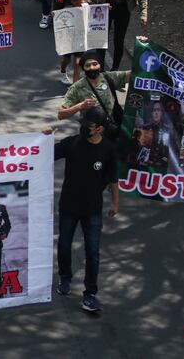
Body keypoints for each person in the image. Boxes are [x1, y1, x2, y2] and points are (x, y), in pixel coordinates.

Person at [47, 107, 119, 312]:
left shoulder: (108, 150)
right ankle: (65, 278)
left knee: (93, 252)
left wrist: (115, 202)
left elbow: (113, 178)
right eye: (83, 124)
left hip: (93, 210)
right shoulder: (72, 143)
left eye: (88, 126)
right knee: (64, 245)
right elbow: (45, 153)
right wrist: (44, 137)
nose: (84, 128)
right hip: (69, 206)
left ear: (99, 129)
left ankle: (90, 293)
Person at [58, 50, 130, 133]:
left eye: (95, 64)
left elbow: (134, 74)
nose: (92, 67)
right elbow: (61, 114)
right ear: (83, 68)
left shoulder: (109, 77)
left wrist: (143, 48)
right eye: (87, 65)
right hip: (91, 133)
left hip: (111, 128)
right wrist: (80, 106)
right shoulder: (77, 87)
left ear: (100, 65)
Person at [54, 0, 87, 85]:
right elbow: (58, 20)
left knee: (77, 62)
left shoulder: (86, 6)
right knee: (66, 60)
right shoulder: (65, 11)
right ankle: (63, 71)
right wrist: (54, 15)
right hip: (68, 39)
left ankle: (75, 85)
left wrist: (106, 8)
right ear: (73, 1)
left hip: (79, 38)